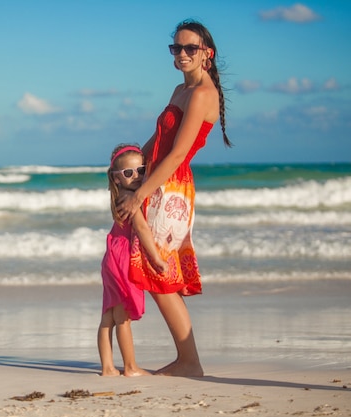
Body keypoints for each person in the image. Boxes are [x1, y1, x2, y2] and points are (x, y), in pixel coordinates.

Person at [116, 19, 232, 377]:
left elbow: (179, 154)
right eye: (176, 48)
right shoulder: (180, 90)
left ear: (206, 54)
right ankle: (188, 359)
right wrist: (127, 167)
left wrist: (139, 197)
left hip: (172, 189)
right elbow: (156, 143)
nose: (182, 54)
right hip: (157, 182)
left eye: (190, 49)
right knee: (158, 271)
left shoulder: (201, 95)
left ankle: (189, 361)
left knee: (159, 269)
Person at [98, 144, 168, 377]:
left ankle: (108, 367)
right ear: (116, 179)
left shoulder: (119, 196)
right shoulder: (131, 199)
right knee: (122, 317)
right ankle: (130, 367)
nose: (136, 176)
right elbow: (142, 229)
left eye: (141, 170)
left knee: (108, 315)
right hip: (122, 258)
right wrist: (157, 258)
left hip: (111, 256)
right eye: (128, 173)